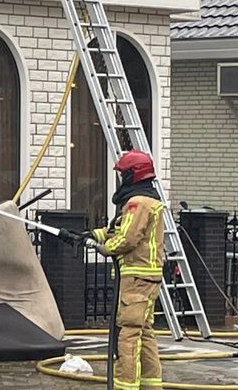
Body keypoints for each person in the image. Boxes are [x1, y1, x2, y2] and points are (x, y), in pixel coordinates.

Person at [90, 149, 165, 390]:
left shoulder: (137, 203)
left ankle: (125, 387)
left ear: (134, 174)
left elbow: (128, 239)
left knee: (129, 334)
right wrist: (92, 235)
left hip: (136, 276)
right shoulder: (147, 200)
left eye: (124, 174)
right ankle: (151, 385)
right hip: (147, 276)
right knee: (144, 331)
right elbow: (121, 229)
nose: (122, 179)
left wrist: (106, 248)